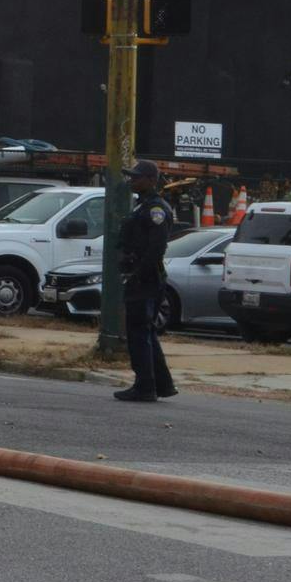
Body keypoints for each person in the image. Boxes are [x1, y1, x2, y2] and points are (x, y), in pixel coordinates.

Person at [114, 159, 177, 403]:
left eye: (137, 177)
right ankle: (161, 384)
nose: (132, 180)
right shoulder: (143, 206)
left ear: (151, 180)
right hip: (143, 276)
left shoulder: (155, 209)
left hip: (146, 278)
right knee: (145, 331)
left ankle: (145, 386)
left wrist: (138, 273)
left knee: (139, 332)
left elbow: (156, 247)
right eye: (131, 176)